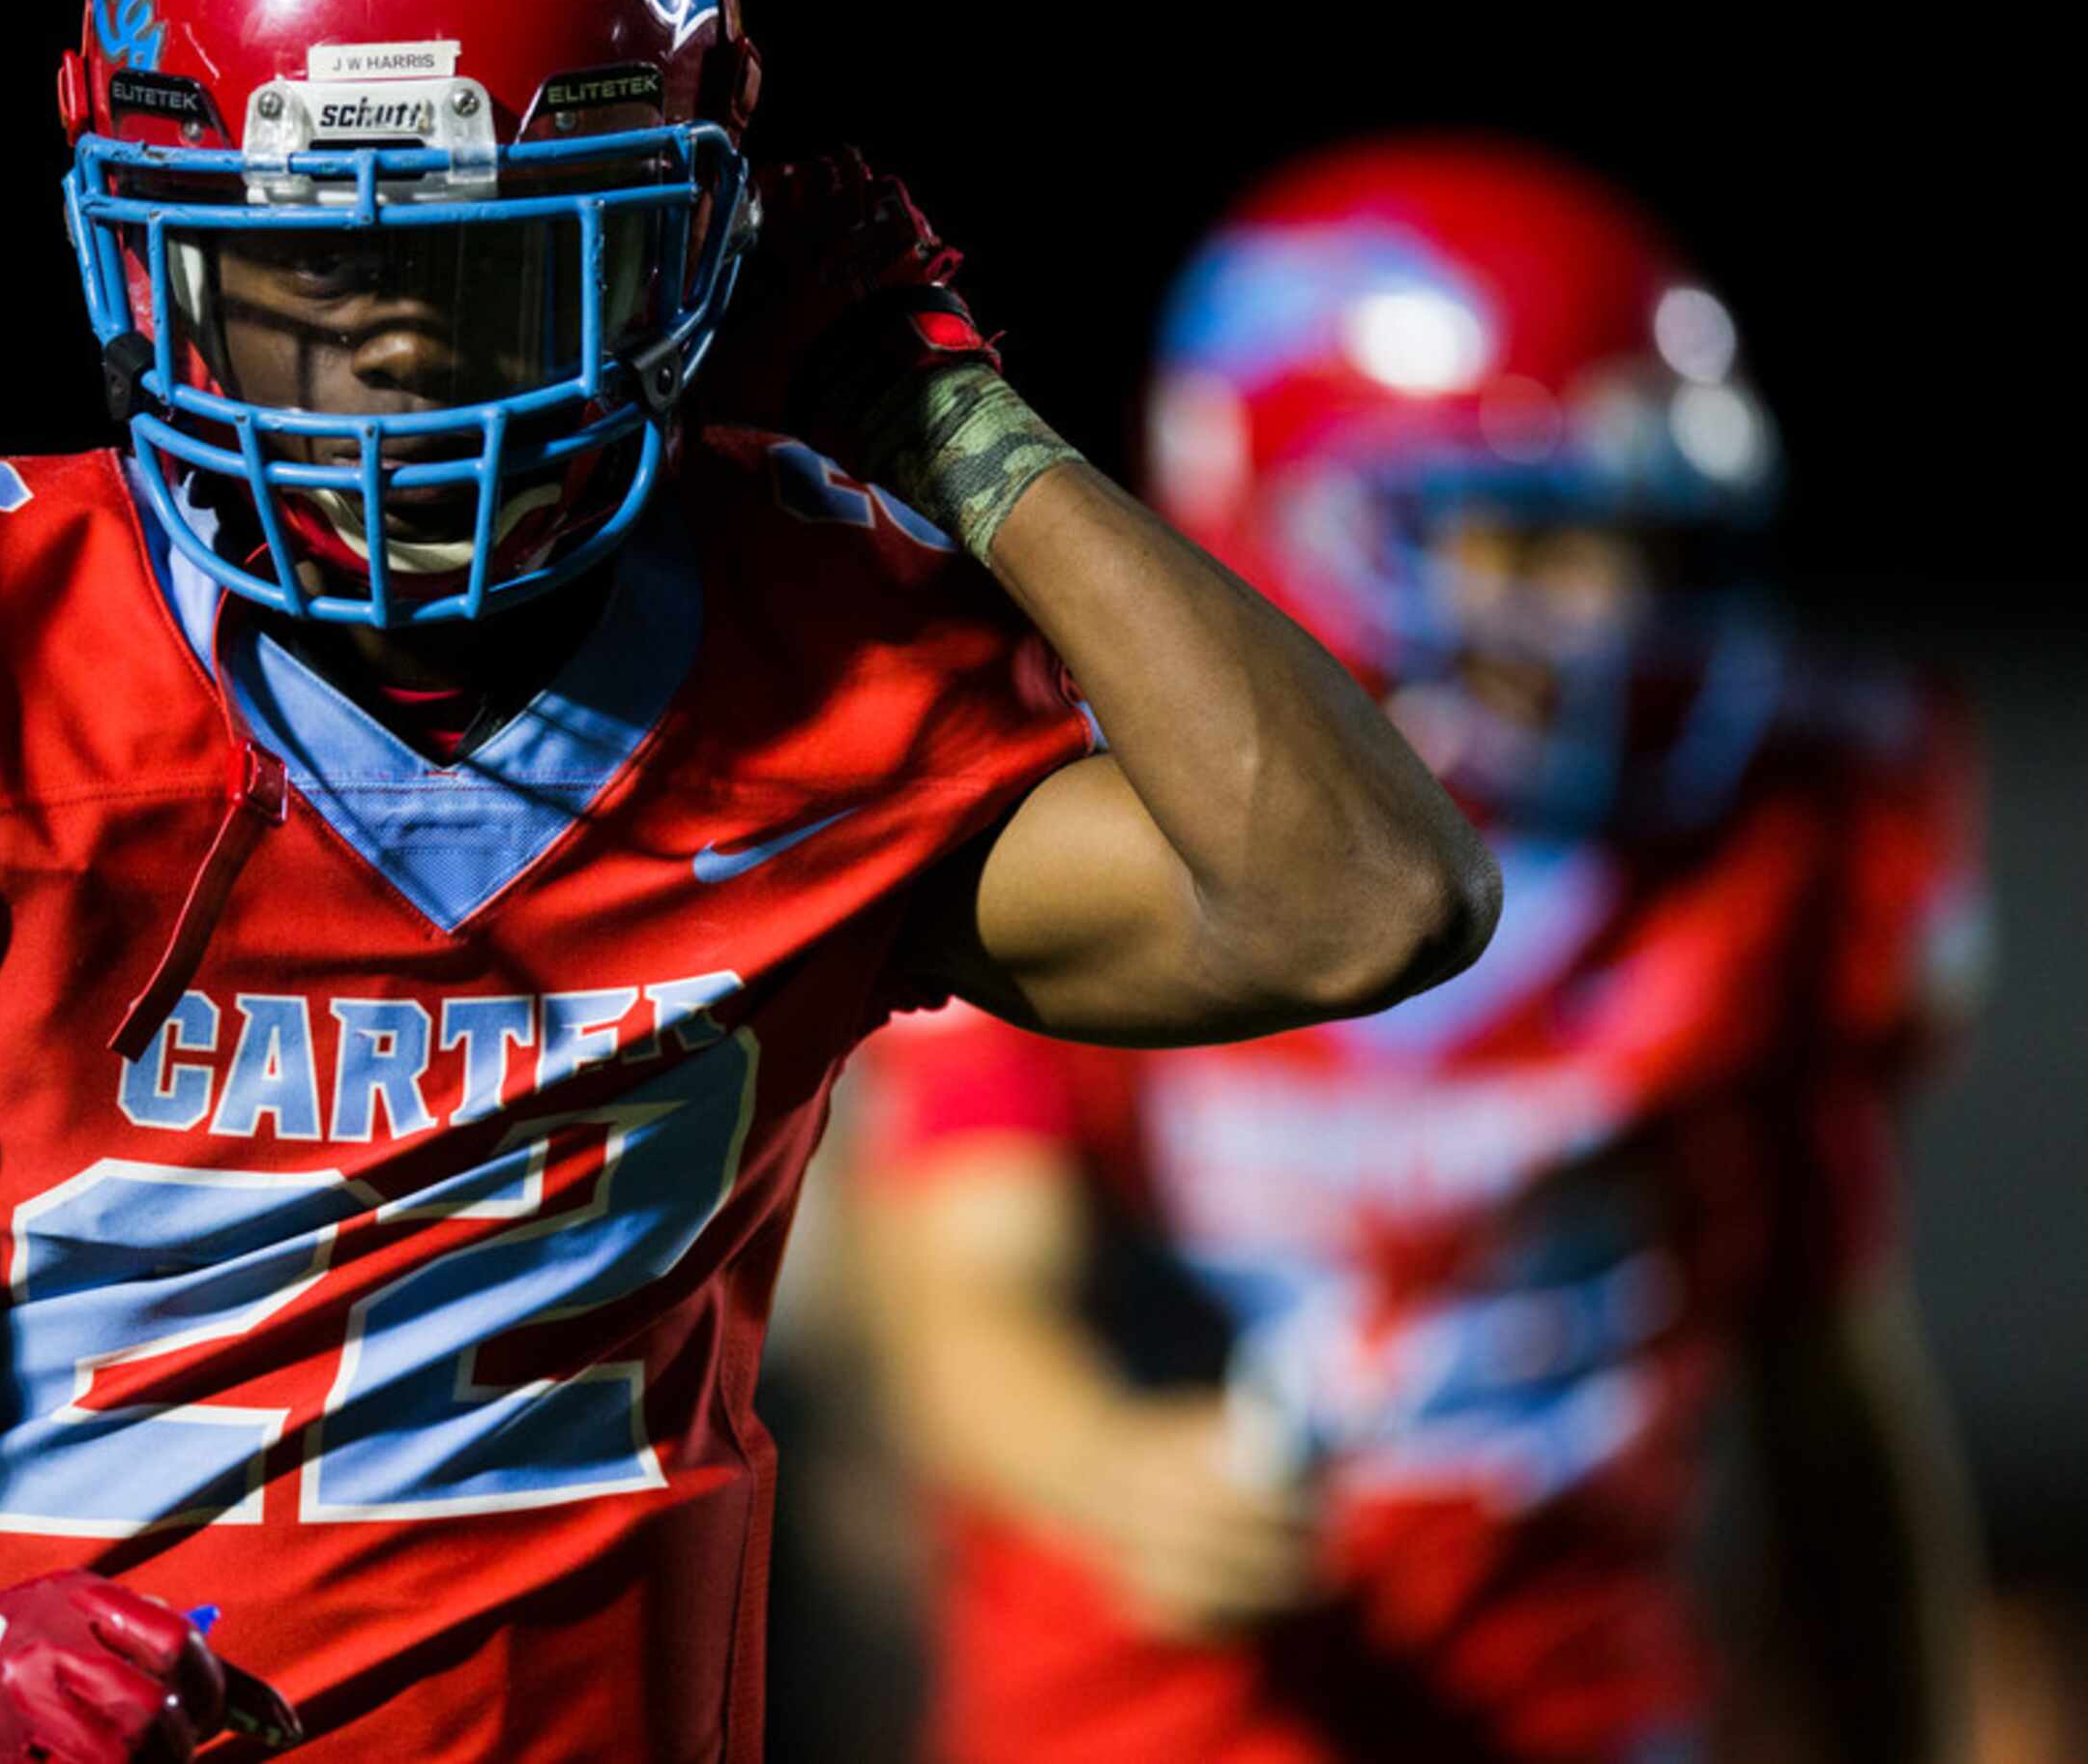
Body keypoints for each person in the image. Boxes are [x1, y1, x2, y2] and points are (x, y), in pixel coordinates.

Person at [0, 0, 1498, 1761]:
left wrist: (950, 422)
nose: (395, 347)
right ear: (151, 257)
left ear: (693, 252)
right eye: (312, 259)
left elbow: (1360, 897)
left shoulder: (812, 652)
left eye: (486, 264)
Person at [850, 136, 1987, 1764]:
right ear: (1290, 508)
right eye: (1522, 544)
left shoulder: (1759, 842)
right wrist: (1119, 1460)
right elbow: (959, 1296)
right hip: (1152, 1719)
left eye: (1634, 546)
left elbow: (1829, 1386)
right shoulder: (1075, 804)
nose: (1600, 614)